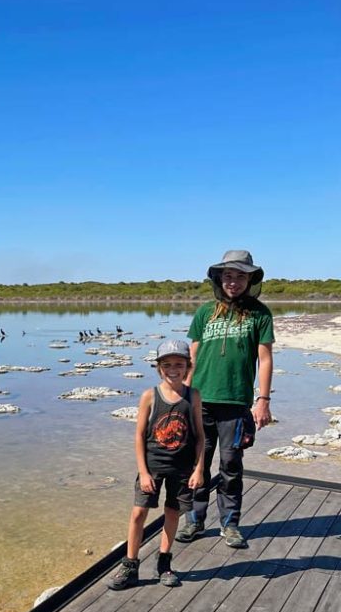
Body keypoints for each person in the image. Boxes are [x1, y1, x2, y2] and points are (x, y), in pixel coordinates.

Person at [176, 250, 274, 549]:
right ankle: (194, 519)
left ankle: (230, 524)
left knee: (231, 464)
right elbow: (192, 355)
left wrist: (263, 400)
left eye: (240, 276)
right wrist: (182, 396)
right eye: (228, 276)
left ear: (250, 279)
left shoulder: (260, 313)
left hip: (236, 402)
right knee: (198, 463)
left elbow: (266, 359)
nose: (233, 281)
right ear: (219, 279)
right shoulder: (205, 312)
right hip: (200, 401)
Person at [108, 339, 205, 590]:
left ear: (187, 367)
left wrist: (198, 469)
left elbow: (200, 435)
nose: (173, 369)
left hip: (182, 468)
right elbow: (139, 435)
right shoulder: (150, 396)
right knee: (139, 513)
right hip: (152, 467)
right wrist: (143, 471)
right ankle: (130, 565)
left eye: (179, 364)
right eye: (167, 364)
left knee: (173, 512)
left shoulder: (193, 395)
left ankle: (164, 561)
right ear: (159, 368)